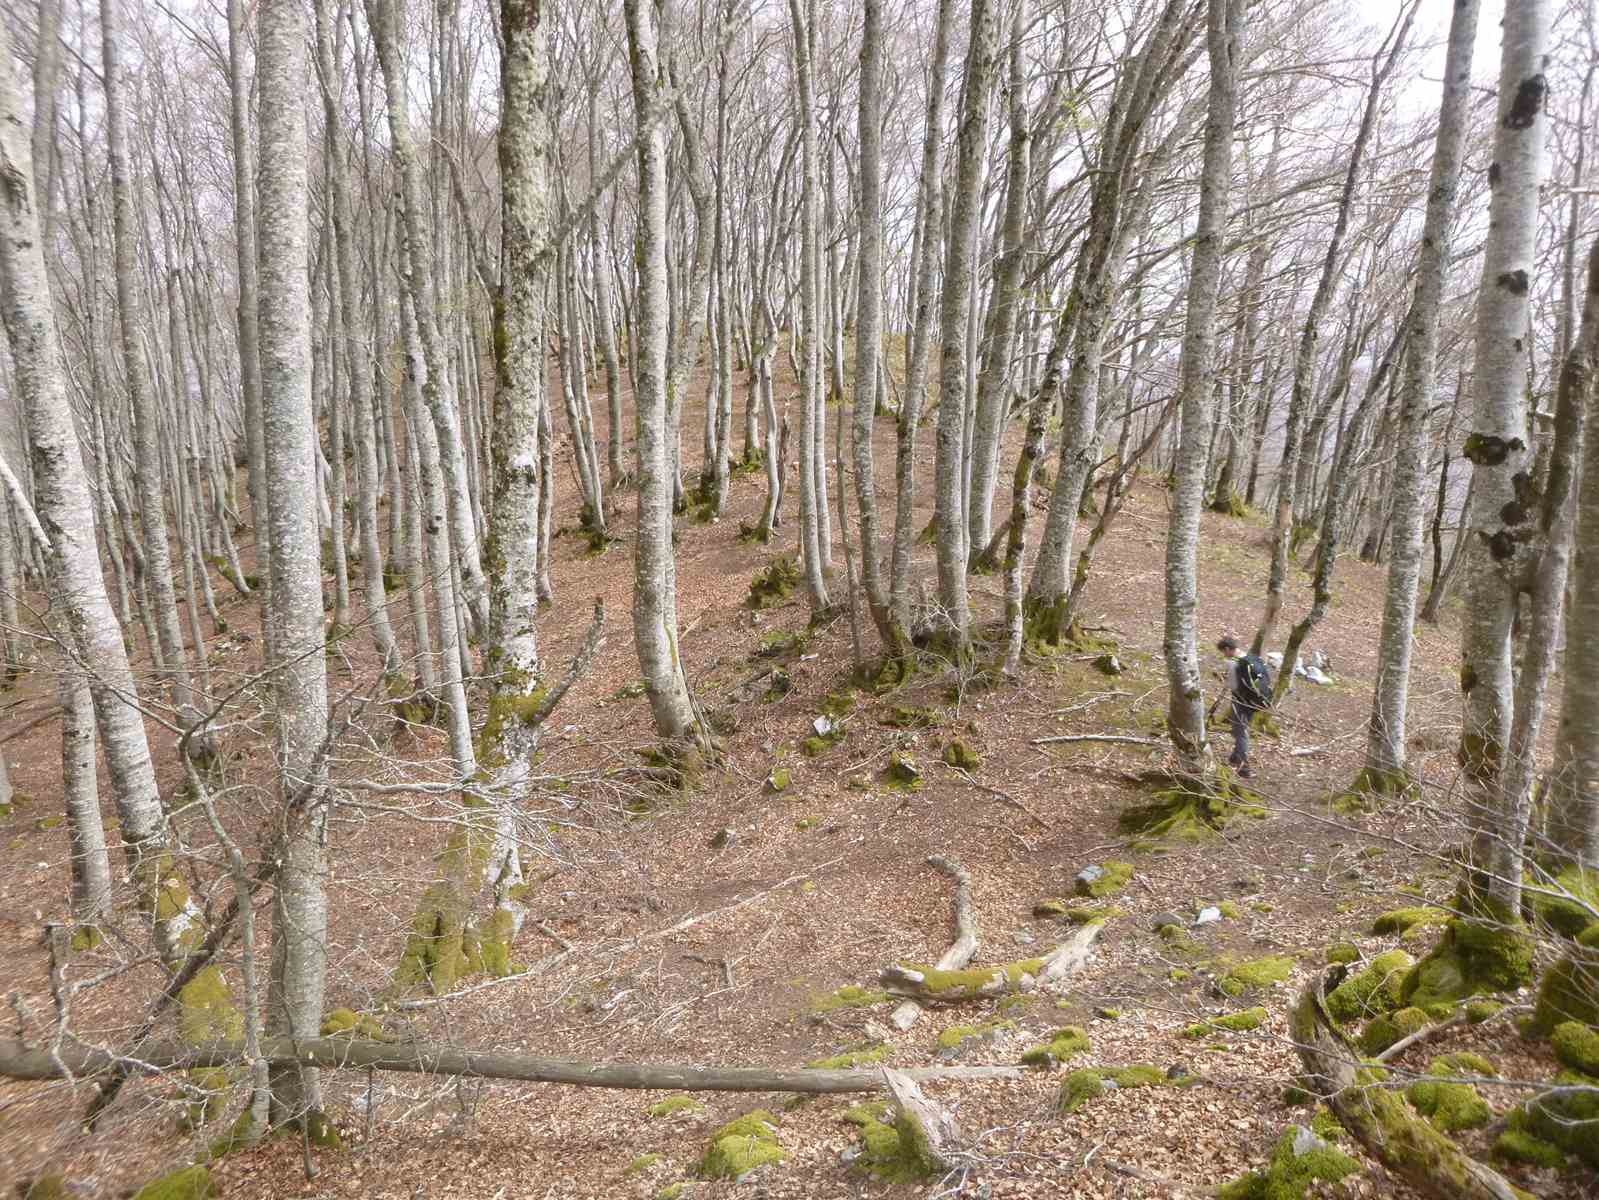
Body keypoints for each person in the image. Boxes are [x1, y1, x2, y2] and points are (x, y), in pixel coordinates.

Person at [1210, 636, 1271, 778]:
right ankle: (1235, 756)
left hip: (1241, 701)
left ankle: (1244, 767)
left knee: (1240, 731)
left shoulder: (1233, 663)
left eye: (1223, 652)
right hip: (1255, 701)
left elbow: (1232, 685)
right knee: (1240, 728)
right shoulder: (1251, 658)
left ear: (1227, 649)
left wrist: (1221, 679)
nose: (1224, 655)